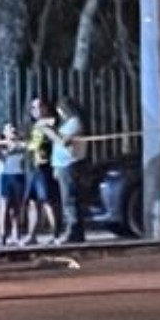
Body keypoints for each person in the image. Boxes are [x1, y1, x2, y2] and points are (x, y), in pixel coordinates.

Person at [52, 98, 88, 245]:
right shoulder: (66, 124)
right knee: (68, 199)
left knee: (70, 199)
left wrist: (48, 131)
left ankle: (72, 231)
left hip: (70, 164)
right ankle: (75, 231)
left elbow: (63, 142)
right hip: (62, 164)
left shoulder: (74, 122)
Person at [25, 97, 60, 246]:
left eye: (39, 107)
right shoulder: (33, 126)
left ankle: (55, 234)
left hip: (45, 167)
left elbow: (52, 127)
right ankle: (32, 235)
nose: (36, 110)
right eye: (33, 108)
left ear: (45, 108)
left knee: (47, 201)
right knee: (33, 202)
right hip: (33, 167)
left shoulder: (49, 124)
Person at [0, 122, 31, 246]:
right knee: (4, 206)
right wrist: (1, 148)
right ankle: (2, 235)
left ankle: (16, 234)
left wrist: (19, 144)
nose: (13, 130)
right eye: (9, 129)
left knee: (16, 207)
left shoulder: (21, 144)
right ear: (4, 132)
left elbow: (27, 152)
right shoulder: (1, 145)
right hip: (4, 176)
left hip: (18, 175)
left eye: (14, 128)